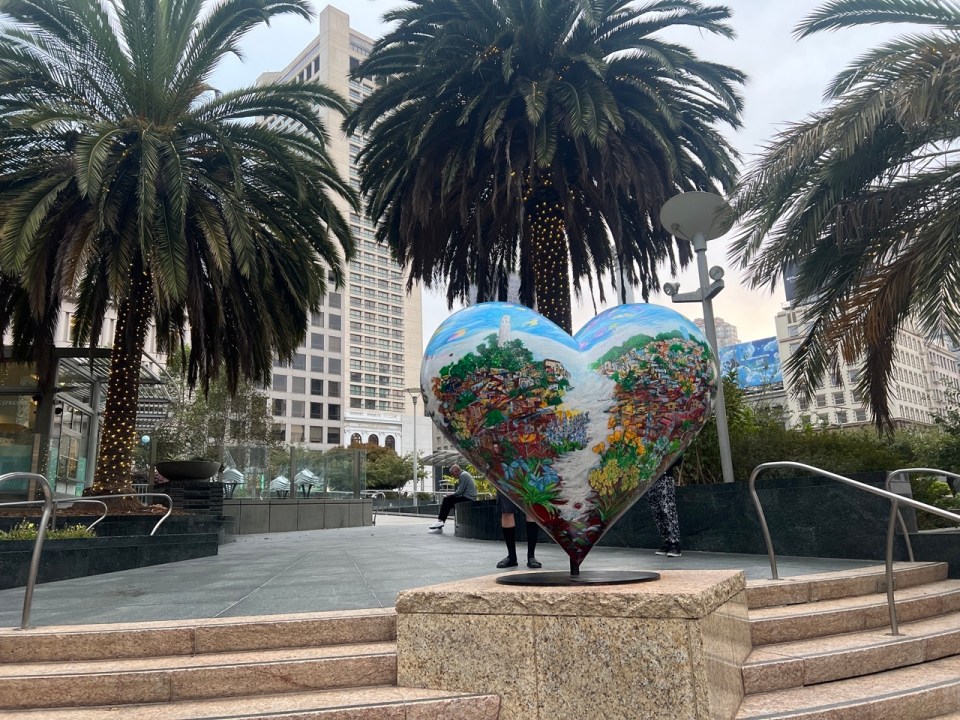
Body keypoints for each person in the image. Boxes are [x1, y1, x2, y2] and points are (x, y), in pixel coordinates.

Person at [496, 490, 541, 569]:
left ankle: (531, 556)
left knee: (531, 510)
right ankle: (511, 557)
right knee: (506, 510)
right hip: (505, 482)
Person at [647, 457, 682, 557]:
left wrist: (664, 459)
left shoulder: (669, 445)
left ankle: (674, 544)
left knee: (668, 510)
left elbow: (678, 459)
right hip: (651, 479)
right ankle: (667, 542)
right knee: (657, 512)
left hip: (665, 478)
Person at [428, 464, 477, 532]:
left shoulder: (463, 476)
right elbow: (461, 491)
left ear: (456, 471)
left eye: (452, 474)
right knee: (448, 502)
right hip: (469, 498)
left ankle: (440, 521)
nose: (452, 476)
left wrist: (451, 495)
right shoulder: (464, 474)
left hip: (468, 499)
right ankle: (440, 523)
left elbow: (460, 491)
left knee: (447, 500)